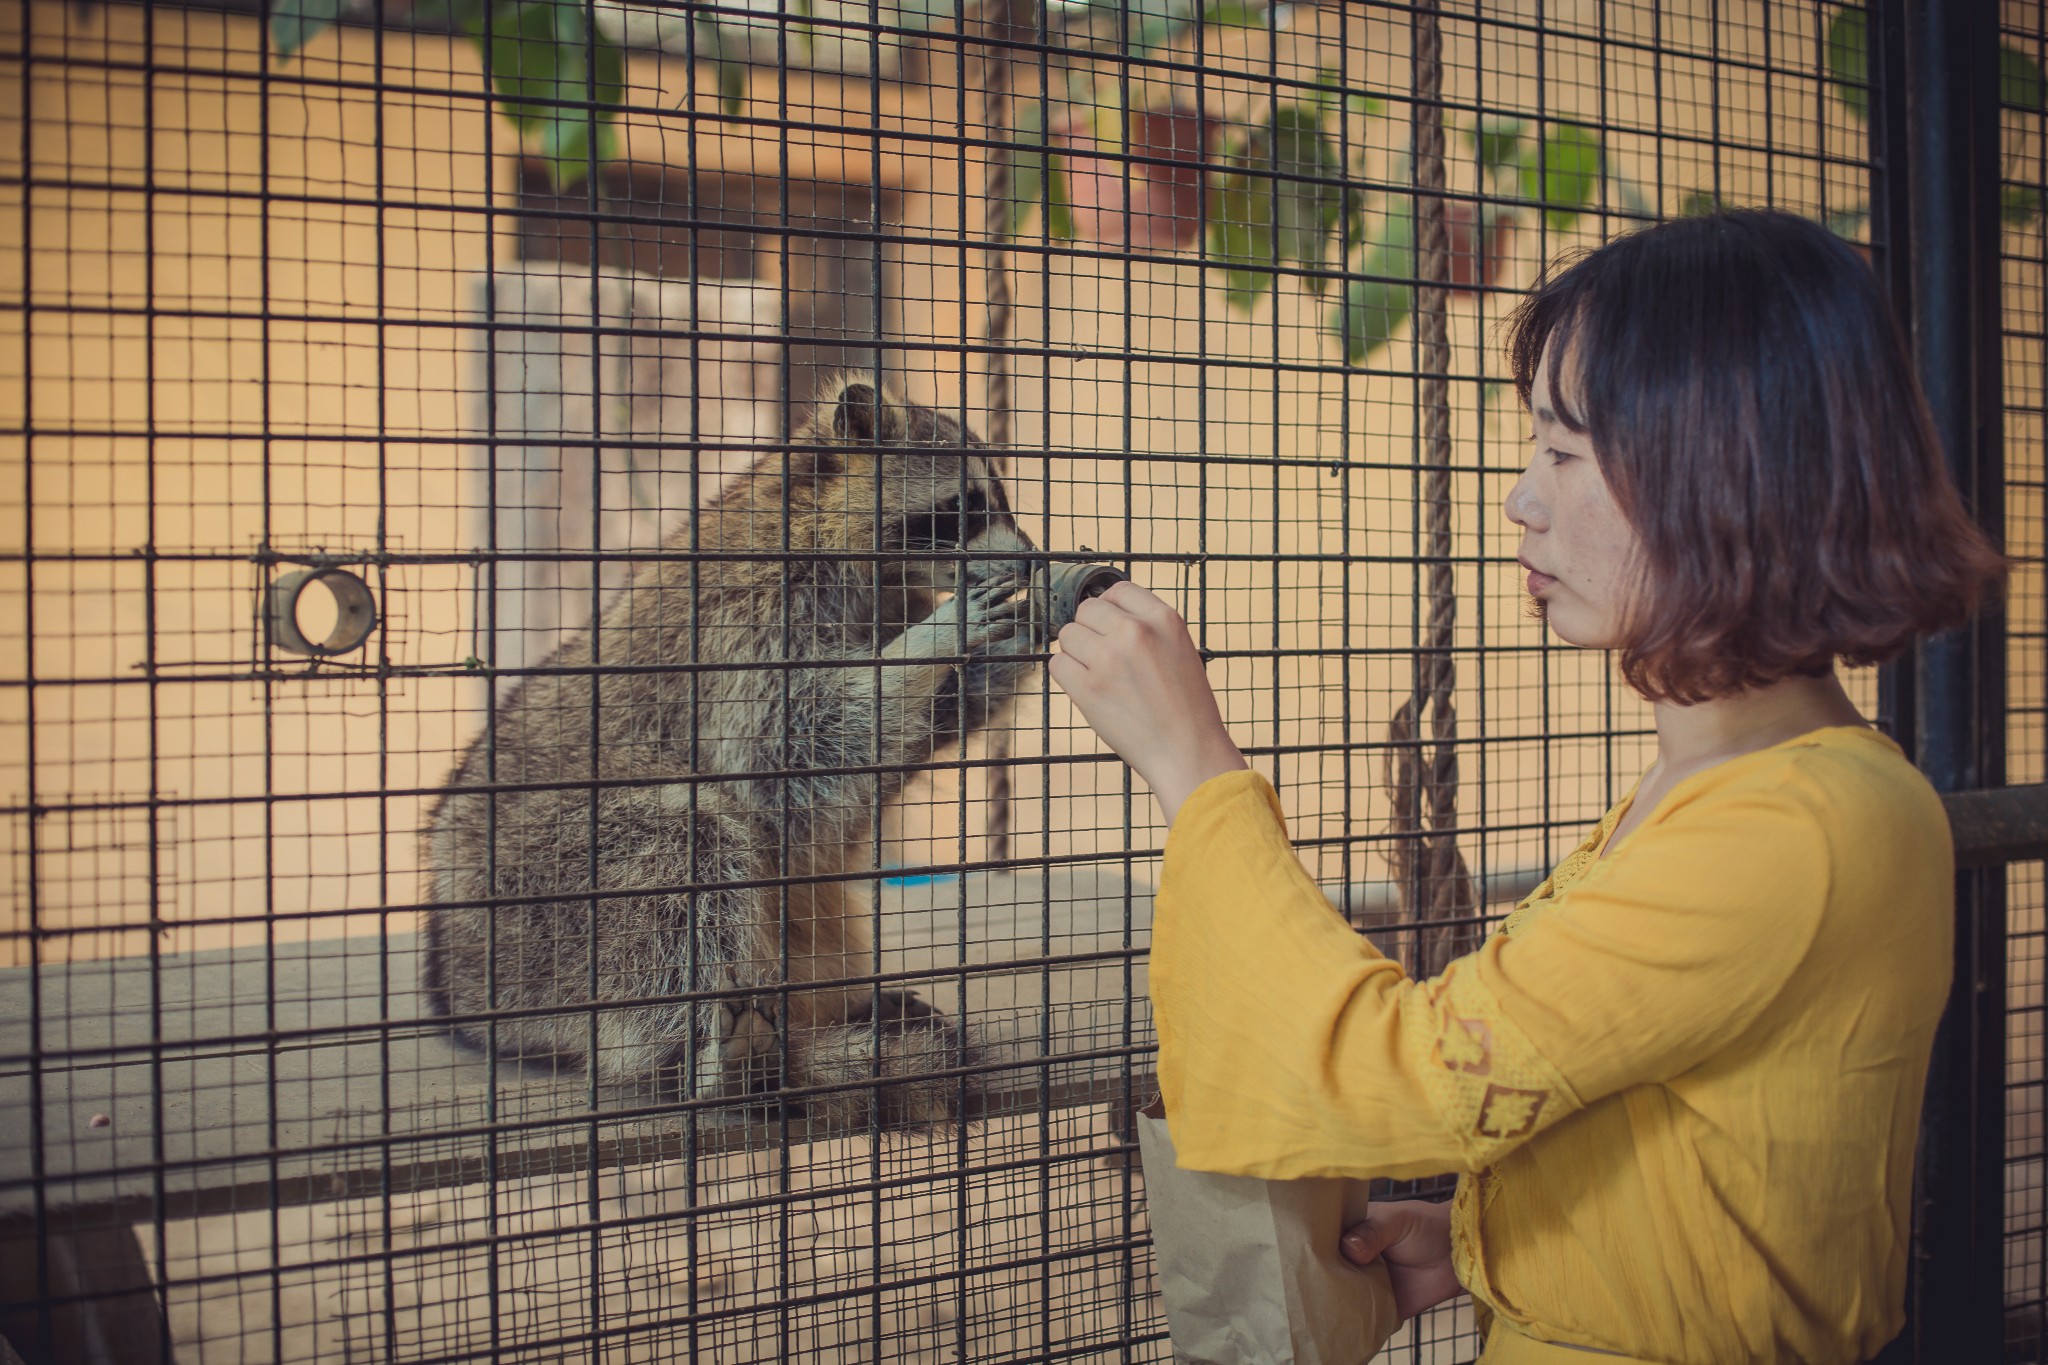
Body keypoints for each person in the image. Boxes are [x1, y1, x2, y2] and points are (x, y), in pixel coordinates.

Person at [1048, 209, 2007, 1365]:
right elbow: (1689, 1135)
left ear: (1718, 467)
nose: (1519, 499)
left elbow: (1402, 1076)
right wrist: (1488, 1238)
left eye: (1562, 450)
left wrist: (1192, 766)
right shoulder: (1727, 784)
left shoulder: (1793, 825)